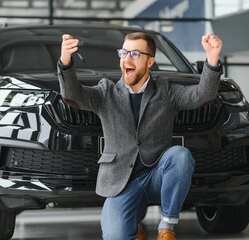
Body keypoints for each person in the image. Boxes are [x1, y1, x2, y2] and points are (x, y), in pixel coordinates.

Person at [57, 31, 223, 240]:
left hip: (157, 176)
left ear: (150, 61)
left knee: (180, 156)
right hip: (121, 182)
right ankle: (134, 226)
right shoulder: (106, 92)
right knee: (116, 236)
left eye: (135, 54)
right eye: (124, 53)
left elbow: (202, 95)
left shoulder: (166, 91)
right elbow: (73, 95)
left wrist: (212, 59)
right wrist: (65, 61)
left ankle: (167, 226)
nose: (126, 59)